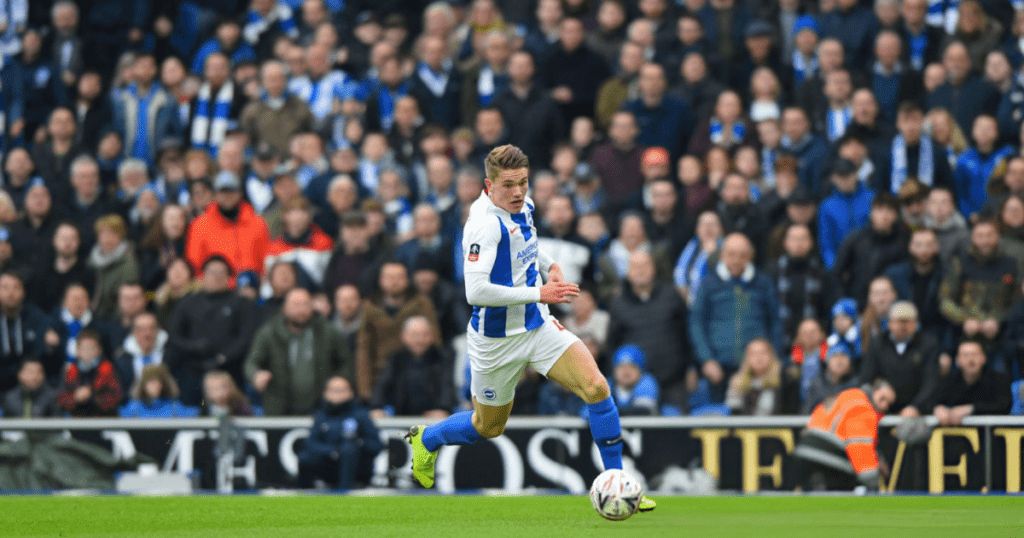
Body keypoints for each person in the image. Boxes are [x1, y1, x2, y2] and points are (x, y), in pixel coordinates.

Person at [404, 145, 655, 512]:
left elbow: (528, 245)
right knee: (488, 427)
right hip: (495, 342)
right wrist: (541, 291)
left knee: (597, 387)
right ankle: (428, 438)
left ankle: (617, 485)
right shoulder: (482, 225)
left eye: (523, 182)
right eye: (509, 185)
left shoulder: (525, 204)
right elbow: (475, 291)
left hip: (536, 326)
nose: (519, 191)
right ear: (489, 186)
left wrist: (550, 265)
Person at [689, 233, 783, 403]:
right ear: (722, 255)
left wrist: (773, 358)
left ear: (750, 257)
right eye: (731, 254)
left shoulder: (762, 283)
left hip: (757, 370)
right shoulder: (709, 283)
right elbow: (696, 322)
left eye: (742, 255)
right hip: (718, 368)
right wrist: (706, 359)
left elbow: (775, 321)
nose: (736, 260)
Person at [245, 288, 353, 416]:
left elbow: (345, 362)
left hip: (321, 407)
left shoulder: (328, 331)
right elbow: (251, 362)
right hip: (279, 407)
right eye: (296, 305)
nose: (301, 310)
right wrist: (256, 375)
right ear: (284, 308)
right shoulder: (269, 333)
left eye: (306, 304)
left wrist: (338, 381)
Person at [167, 256, 258, 406]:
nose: (216, 277)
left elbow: (246, 337)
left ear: (228, 276)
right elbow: (174, 336)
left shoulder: (240, 303)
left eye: (221, 273)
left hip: (229, 370)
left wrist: (223, 357)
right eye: (212, 272)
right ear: (203, 275)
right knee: (191, 411)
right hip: (193, 369)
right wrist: (192, 346)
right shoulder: (188, 302)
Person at [793, 381, 896, 491]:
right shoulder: (864, 408)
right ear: (874, 391)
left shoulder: (847, 396)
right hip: (827, 458)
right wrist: (873, 481)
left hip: (804, 449)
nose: (884, 405)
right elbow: (860, 448)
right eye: (882, 398)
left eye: (888, 404)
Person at [297, 376, 383, 489]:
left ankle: (345, 492)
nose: (338, 394)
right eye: (334, 391)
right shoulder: (321, 415)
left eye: (342, 390)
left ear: (351, 393)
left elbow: (376, 445)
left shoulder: (361, 414)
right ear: (326, 393)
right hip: (329, 463)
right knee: (305, 457)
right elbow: (311, 443)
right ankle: (305, 494)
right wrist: (334, 451)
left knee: (349, 448)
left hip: (357, 467)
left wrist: (357, 443)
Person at [860, 301, 941, 417]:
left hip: (918, 412)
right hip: (882, 409)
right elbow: (866, 377)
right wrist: (878, 390)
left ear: (916, 323)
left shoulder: (928, 344)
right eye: (899, 321)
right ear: (889, 323)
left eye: (908, 321)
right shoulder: (877, 343)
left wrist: (916, 406)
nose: (903, 326)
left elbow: (931, 380)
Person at [370, 316, 454, 418]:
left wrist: (443, 409)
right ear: (403, 336)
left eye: (424, 335)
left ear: (432, 336)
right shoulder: (395, 359)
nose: (420, 340)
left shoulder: (442, 358)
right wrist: (377, 407)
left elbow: (447, 386)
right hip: (400, 416)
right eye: (414, 335)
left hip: (433, 418)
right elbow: (382, 385)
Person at [933, 340, 1012, 425]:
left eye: (975, 355)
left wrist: (971, 409)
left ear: (983, 358)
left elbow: (1004, 406)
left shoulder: (999, 380)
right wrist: (938, 408)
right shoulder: (949, 381)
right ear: (957, 360)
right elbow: (934, 402)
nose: (970, 360)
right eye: (965, 356)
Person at [57, 328, 121, 417]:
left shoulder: (108, 370)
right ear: (77, 350)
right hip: (76, 421)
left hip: (103, 420)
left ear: (99, 350)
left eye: (91, 348)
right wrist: (76, 398)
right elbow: (61, 400)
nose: (87, 352)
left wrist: (91, 396)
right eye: (84, 348)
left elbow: (116, 398)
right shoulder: (69, 371)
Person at [726, 339, 782, 416]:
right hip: (745, 427)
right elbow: (734, 413)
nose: (759, 357)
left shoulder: (784, 381)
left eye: (763, 353)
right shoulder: (738, 382)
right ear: (747, 358)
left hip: (777, 427)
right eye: (753, 354)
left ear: (771, 356)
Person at [119, 364, 198, 418]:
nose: (156, 385)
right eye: (151, 382)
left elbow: (194, 414)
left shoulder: (174, 407)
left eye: (159, 382)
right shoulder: (134, 408)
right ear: (143, 385)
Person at [606, 344, 659, 416]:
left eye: (632, 367)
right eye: (622, 367)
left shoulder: (646, 383)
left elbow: (642, 411)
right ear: (614, 370)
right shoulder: (608, 384)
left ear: (641, 370)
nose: (626, 372)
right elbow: (589, 411)